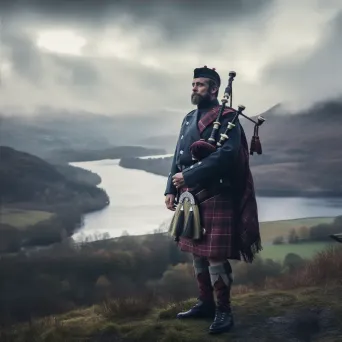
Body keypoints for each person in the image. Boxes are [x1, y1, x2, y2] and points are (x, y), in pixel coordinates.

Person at [164, 66, 262, 335]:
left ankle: (223, 311)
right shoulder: (188, 118)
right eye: (193, 84)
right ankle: (205, 304)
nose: (194, 88)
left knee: (215, 257)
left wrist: (190, 175)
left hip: (216, 194)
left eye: (200, 85)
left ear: (215, 89)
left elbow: (227, 156)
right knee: (197, 254)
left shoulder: (229, 118)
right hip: (190, 196)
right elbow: (178, 155)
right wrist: (169, 189)